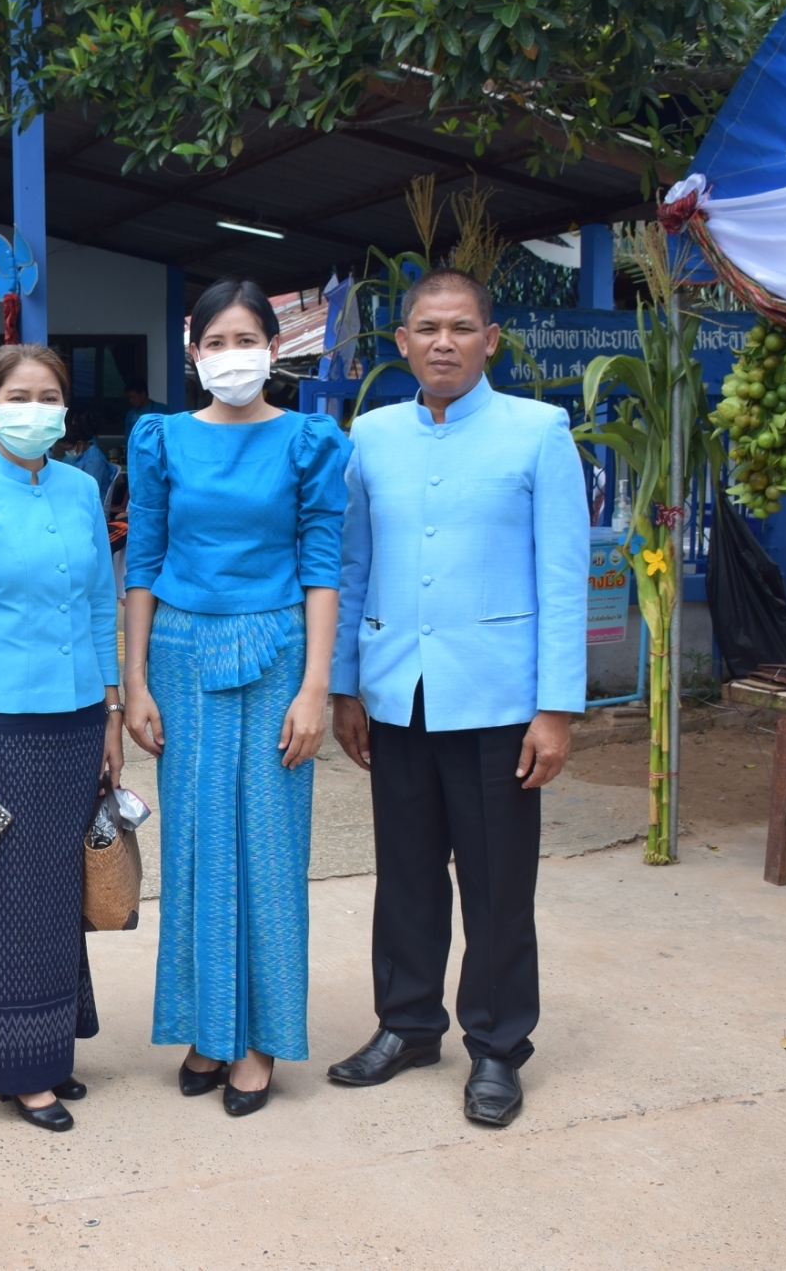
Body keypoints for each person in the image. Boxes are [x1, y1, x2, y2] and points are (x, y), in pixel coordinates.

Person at [326, 267, 586, 1128]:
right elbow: (354, 564)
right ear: (401, 343)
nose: (444, 342)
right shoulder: (371, 435)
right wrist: (345, 686)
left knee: (496, 883)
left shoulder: (539, 432)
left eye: (461, 327)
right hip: (398, 691)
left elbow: (564, 577)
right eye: (427, 328)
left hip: (500, 699)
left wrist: (557, 707)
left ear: (490, 340)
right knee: (403, 877)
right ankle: (405, 1025)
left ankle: (498, 1047)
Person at [122, 280, 350, 1118]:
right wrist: (135, 682)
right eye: (216, 342)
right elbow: (141, 560)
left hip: (281, 649)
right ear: (193, 352)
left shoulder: (309, 441)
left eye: (246, 338)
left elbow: (322, 562)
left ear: (275, 347)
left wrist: (317, 687)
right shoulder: (162, 440)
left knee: (269, 846)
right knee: (195, 843)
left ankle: (258, 1042)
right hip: (181, 651)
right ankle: (207, 1029)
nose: (231, 356)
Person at [0, 343, 123, 1133]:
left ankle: (51, 1045)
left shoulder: (81, 490)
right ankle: (15, 1063)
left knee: (59, 890)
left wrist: (111, 718)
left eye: (51, 395)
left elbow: (101, 606)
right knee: (10, 891)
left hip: (77, 722)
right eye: (20, 394)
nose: (36, 407)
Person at [52, 421, 117, 505]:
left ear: (80, 444)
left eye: (68, 449)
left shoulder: (93, 460)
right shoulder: (83, 455)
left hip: (91, 506)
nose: (67, 452)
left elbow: (89, 491)